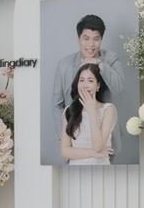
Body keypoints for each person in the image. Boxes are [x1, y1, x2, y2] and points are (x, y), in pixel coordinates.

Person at [53, 14, 125, 162]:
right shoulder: (64, 65)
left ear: (101, 39)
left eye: (96, 39)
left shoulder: (111, 59)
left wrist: (99, 63)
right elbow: (56, 104)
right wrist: (65, 136)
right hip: (75, 140)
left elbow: (119, 88)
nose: (91, 44)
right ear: (78, 38)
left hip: (104, 138)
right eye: (86, 38)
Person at [60, 64, 117, 166]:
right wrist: (94, 153)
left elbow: (98, 147)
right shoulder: (69, 111)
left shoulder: (108, 109)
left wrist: (92, 111)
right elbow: (65, 151)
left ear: (98, 85)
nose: (85, 85)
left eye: (90, 81)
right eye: (81, 80)